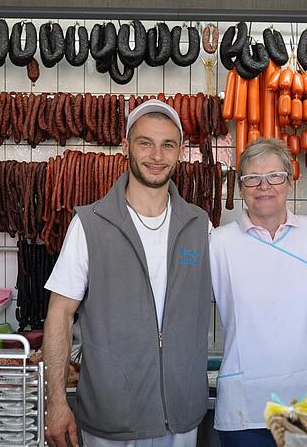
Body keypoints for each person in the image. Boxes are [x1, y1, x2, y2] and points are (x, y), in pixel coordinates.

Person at [43, 100, 212, 447]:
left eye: (168, 145)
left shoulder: (199, 225)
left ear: (180, 151)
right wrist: (57, 401)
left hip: (180, 418)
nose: (156, 155)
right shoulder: (89, 224)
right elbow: (60, 313)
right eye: (145, 142)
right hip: (111, 421)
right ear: (126, 147)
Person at [210, 138, 307, 447]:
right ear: (240, 188)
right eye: (252, 178)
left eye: (275, 176)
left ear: (290, 182)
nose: (263, 186)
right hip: (243, 407)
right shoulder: (219, 242)